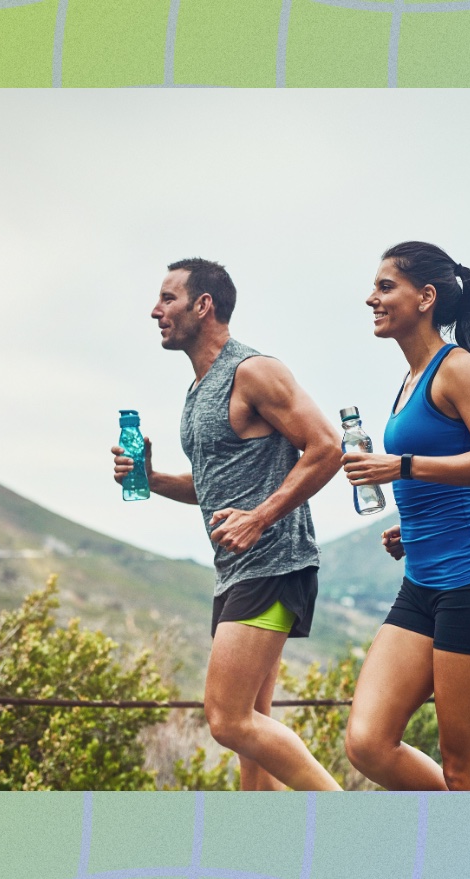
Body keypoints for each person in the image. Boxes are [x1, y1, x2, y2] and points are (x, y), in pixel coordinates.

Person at [112, 257, 342, 791]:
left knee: (227, 719)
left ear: (203, 305)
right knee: (251, 741)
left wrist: (261, 518)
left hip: (272, 562)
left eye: (167, 299)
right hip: (237, 569)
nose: (155, 311)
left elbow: (326, 448)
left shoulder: (253, 371)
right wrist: (153, 478)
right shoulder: (198, 391)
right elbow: (213, 485)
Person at [341, 240, 470, 791]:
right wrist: (415, 527)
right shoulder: (409, 380)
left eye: (384, 287)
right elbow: (448, 467)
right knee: (368, 743)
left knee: (468, 770)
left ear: (425, 297)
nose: (370, 298)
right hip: (422, 583)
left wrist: (400, 464)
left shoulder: (458, 369)